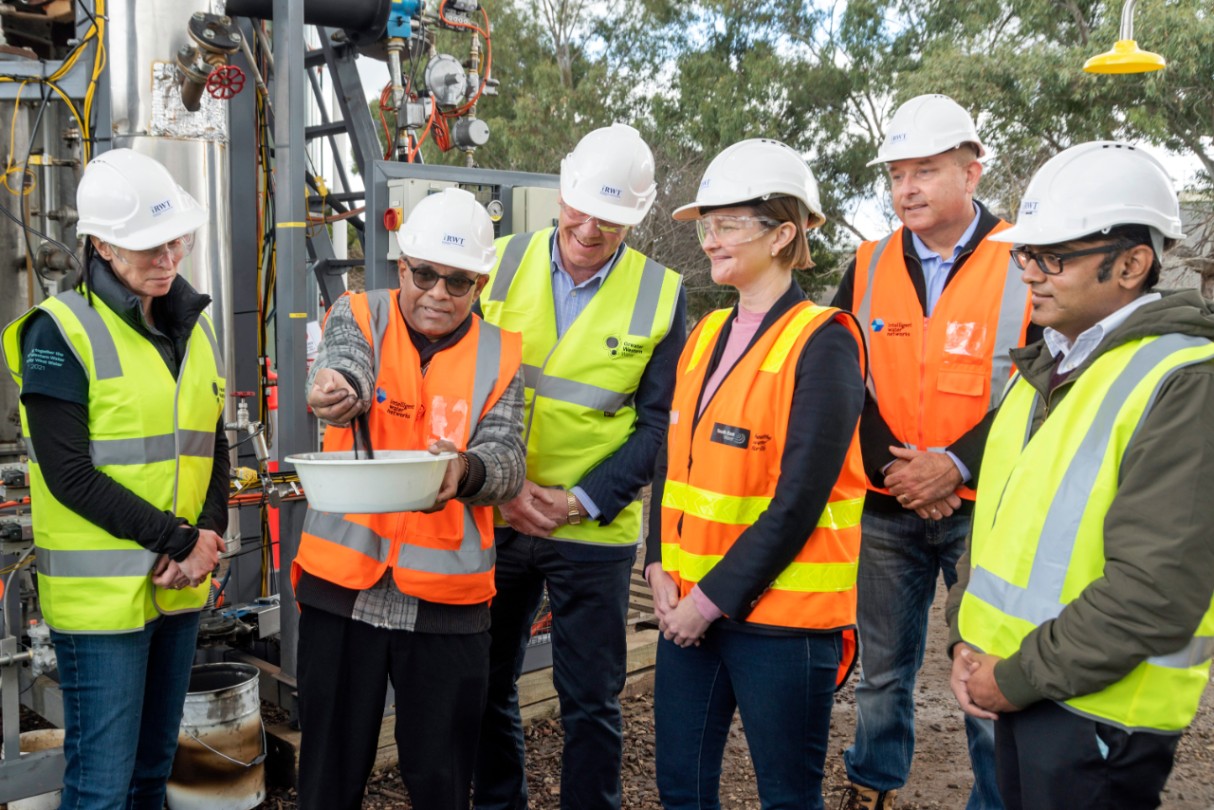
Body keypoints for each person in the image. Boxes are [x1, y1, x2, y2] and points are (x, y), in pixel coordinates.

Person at [947, 140, 1214, 810]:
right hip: (1022, 690)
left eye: (1054, 257)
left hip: (1100, 717)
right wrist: (965, 639)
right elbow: (1001, 530)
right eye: (1025, 255)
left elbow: (1155, 589)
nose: (1030, 274)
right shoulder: (1046, 367)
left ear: (1132, 263)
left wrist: (1015, 678)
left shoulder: (1185, 380)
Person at [1, 148, 229, 809]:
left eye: (175, 241)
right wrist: (181, 541)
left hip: (177, 587)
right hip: (104, 607)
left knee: (151, 777)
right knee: (101, 790)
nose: (167, 259)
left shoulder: (194, 323)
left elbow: (210, 442)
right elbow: (69, 474)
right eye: (147, 247)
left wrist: (207, 536)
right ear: (100, 243)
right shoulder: (60, 332)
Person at [645, 138, 866, 810]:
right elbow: (671, 454)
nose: (710, 241)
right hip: (685, 605)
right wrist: (656, 563)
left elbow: (798, 501)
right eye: (707, 226)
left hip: (781, 623)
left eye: (728, 225)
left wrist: (705, 604)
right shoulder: (706, 332)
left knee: (788, 797)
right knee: (681, 788)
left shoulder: (825, 340)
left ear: (784, 234)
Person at [473, 122, 686, 810]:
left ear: (638, 216)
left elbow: (659, 425)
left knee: (591, 701)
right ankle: (500, 801)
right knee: (483, 680)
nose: (590, 229)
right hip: (498, 515)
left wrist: (582, 499)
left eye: (612, 218)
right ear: (561, 189)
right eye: (581, 208)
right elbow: (454, 389)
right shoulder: (496, 262)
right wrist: (501, 489)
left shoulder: (661, 294)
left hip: (592, 529)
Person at [833, 94, 1037, 810]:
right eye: (896, 175)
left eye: (925, 171)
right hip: (889, 506)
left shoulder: (1028, 258)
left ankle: (997, 796)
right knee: (882, 669)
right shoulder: (866, 263)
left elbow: (1042, 384)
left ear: (972, 172)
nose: (906, 190)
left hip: (985, 509)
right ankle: (871, 782)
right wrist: (900, 469)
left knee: (985, 667)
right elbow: (839, 377)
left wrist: (955, 465)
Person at [294, 188, 526, 810]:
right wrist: (338, 387)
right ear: (402, 267)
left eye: (458, 281)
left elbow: (507, 462)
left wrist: (467, 472)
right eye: (424, 274)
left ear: (479, 284)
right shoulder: (360, 314)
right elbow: (347, 364)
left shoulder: (501, 355)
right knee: (326, 780)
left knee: (443, 783)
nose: (437, 293)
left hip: (447, 608)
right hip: (343, 592)